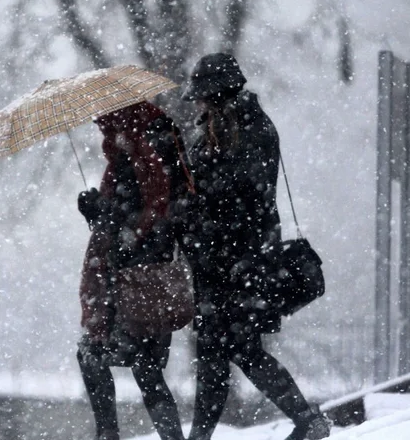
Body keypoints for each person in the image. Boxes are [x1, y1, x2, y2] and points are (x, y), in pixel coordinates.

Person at [177, 53, 331, 440]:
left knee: (238, 350)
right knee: (217, 354)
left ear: (217, 94)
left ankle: (308, 421)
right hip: (215, 264)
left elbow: (251, 198)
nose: (197, 104)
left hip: (241, 262)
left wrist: (200, 200)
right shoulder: (213, 132)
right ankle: (302, 421)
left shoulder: (253, 130)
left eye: (203, 97)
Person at [76, 101, 190, 440]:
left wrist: (111, 219)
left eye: (104, 121)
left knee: (102, 357)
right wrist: (95, 211)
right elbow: (130, 213)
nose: (101, 129)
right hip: (139, 278)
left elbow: (150, 214)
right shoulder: (134, 152)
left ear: (119, 117)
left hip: (139, 281)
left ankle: (108, 434)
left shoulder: (144, 151)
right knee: (142, 367)